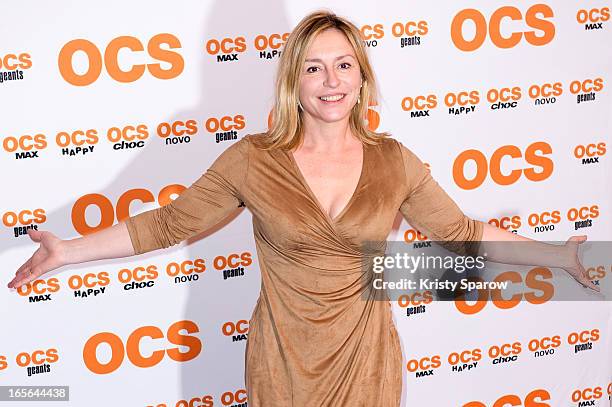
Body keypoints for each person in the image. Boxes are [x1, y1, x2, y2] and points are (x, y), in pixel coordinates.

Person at [7, 10, 598, 407]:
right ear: (295, 81)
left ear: (362, 79)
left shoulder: (394, 161)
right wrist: (68, 250)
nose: (331, 80)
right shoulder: (253, 160)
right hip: (281, 362)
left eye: (344, 65)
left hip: (365, 362)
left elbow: (464, 232)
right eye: (314, 67)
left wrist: (561, 254)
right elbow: (169, 223)